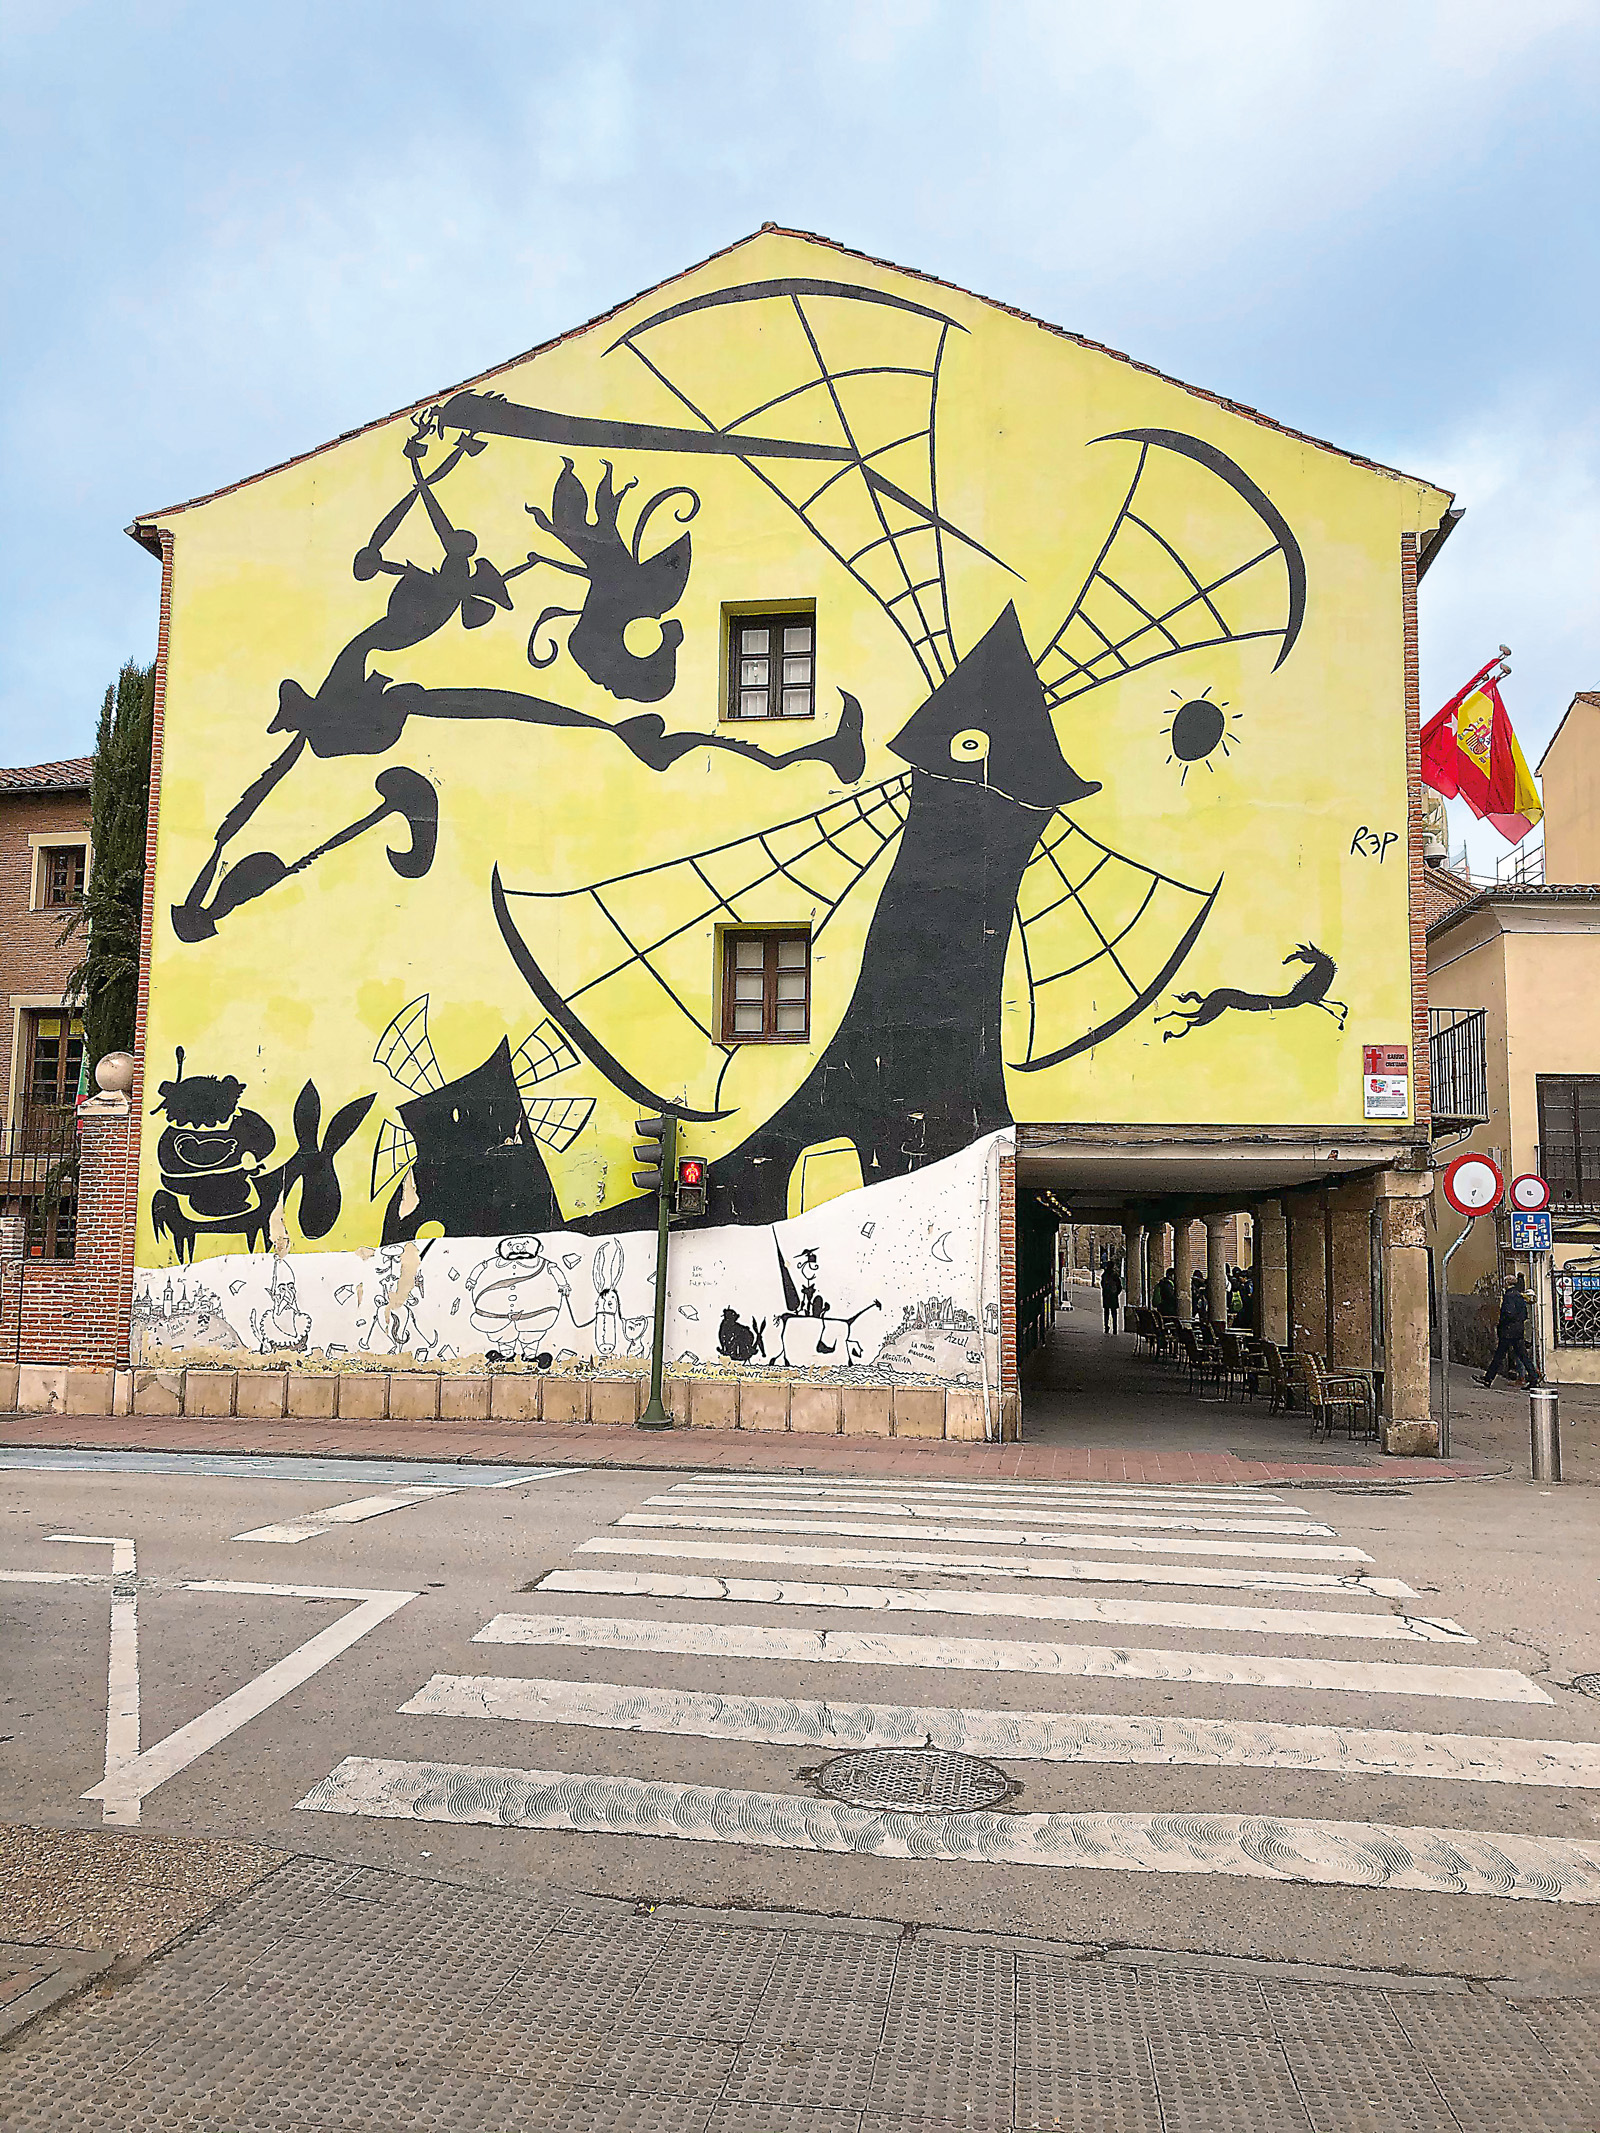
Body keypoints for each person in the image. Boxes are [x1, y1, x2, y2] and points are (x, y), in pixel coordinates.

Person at [1479, 1277, 1539, 1389]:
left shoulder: (1509, 1296)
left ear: (1506, 1283)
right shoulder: (1519, 1296)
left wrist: (1502, 1323)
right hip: (1518, 1330)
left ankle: (1488, 1379)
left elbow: (1508, 1313)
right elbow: (1524, 1314)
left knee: (1499, 1356)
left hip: (1508, 1331)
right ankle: (1534, 1378)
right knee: (1523, 1356)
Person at [1100, 1254, 1123, 1333]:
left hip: (1107, 1295)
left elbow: (1102, 1284)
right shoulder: (1115, 1275)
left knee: (1106, 1313)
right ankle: (1114, 1328)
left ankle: (1106, 1327)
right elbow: (1119, 1286)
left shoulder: (1104, 1275)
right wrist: (1116, 1293)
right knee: (1114, 1313)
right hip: (1113, 1295)